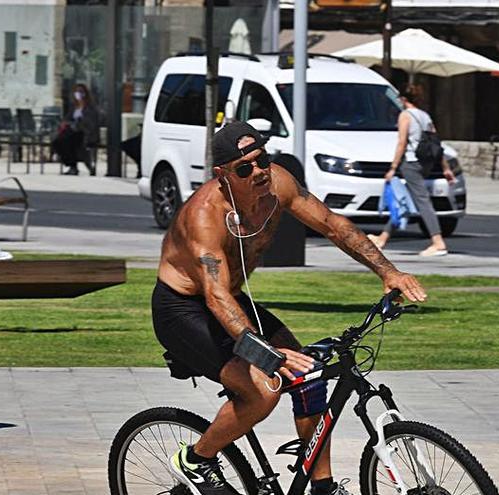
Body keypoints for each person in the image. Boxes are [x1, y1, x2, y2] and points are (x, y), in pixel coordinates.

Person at [153, 121, 427, 495]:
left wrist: (388, 272)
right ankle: (196, 460)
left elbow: (332, 225)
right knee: (263, 389)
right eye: (245, 168)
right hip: (183, 309)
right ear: (222, 175)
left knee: (310, 375)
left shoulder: (277, 184)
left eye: (262, 159)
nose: (259, 171)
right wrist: (266, 354)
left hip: (233, 302)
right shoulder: (204, 217)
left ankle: (322, 486)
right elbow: (215, 296)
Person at [367, 84, 456, 257]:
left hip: (411, 163)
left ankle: (438, 242)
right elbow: (437, 144)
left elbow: (401, 143)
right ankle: (382, 238)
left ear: (403, 100)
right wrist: (446, 168)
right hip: (425, 164)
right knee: (403, 200)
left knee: (422, 201)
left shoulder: (405, 116)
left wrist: (392, 168)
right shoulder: (425, 116)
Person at [53, 83, 100, 176]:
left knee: (70, 141)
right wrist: (65, 123)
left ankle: (74, 166)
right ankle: (71, 164)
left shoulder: (90, 107)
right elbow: (67, 118)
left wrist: (79, 122)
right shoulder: (74, 107)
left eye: (81, 91)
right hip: (72, 132)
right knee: (58, 142)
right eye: (77, 91)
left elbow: (90, 123)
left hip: (85, 133)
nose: (78, 94)